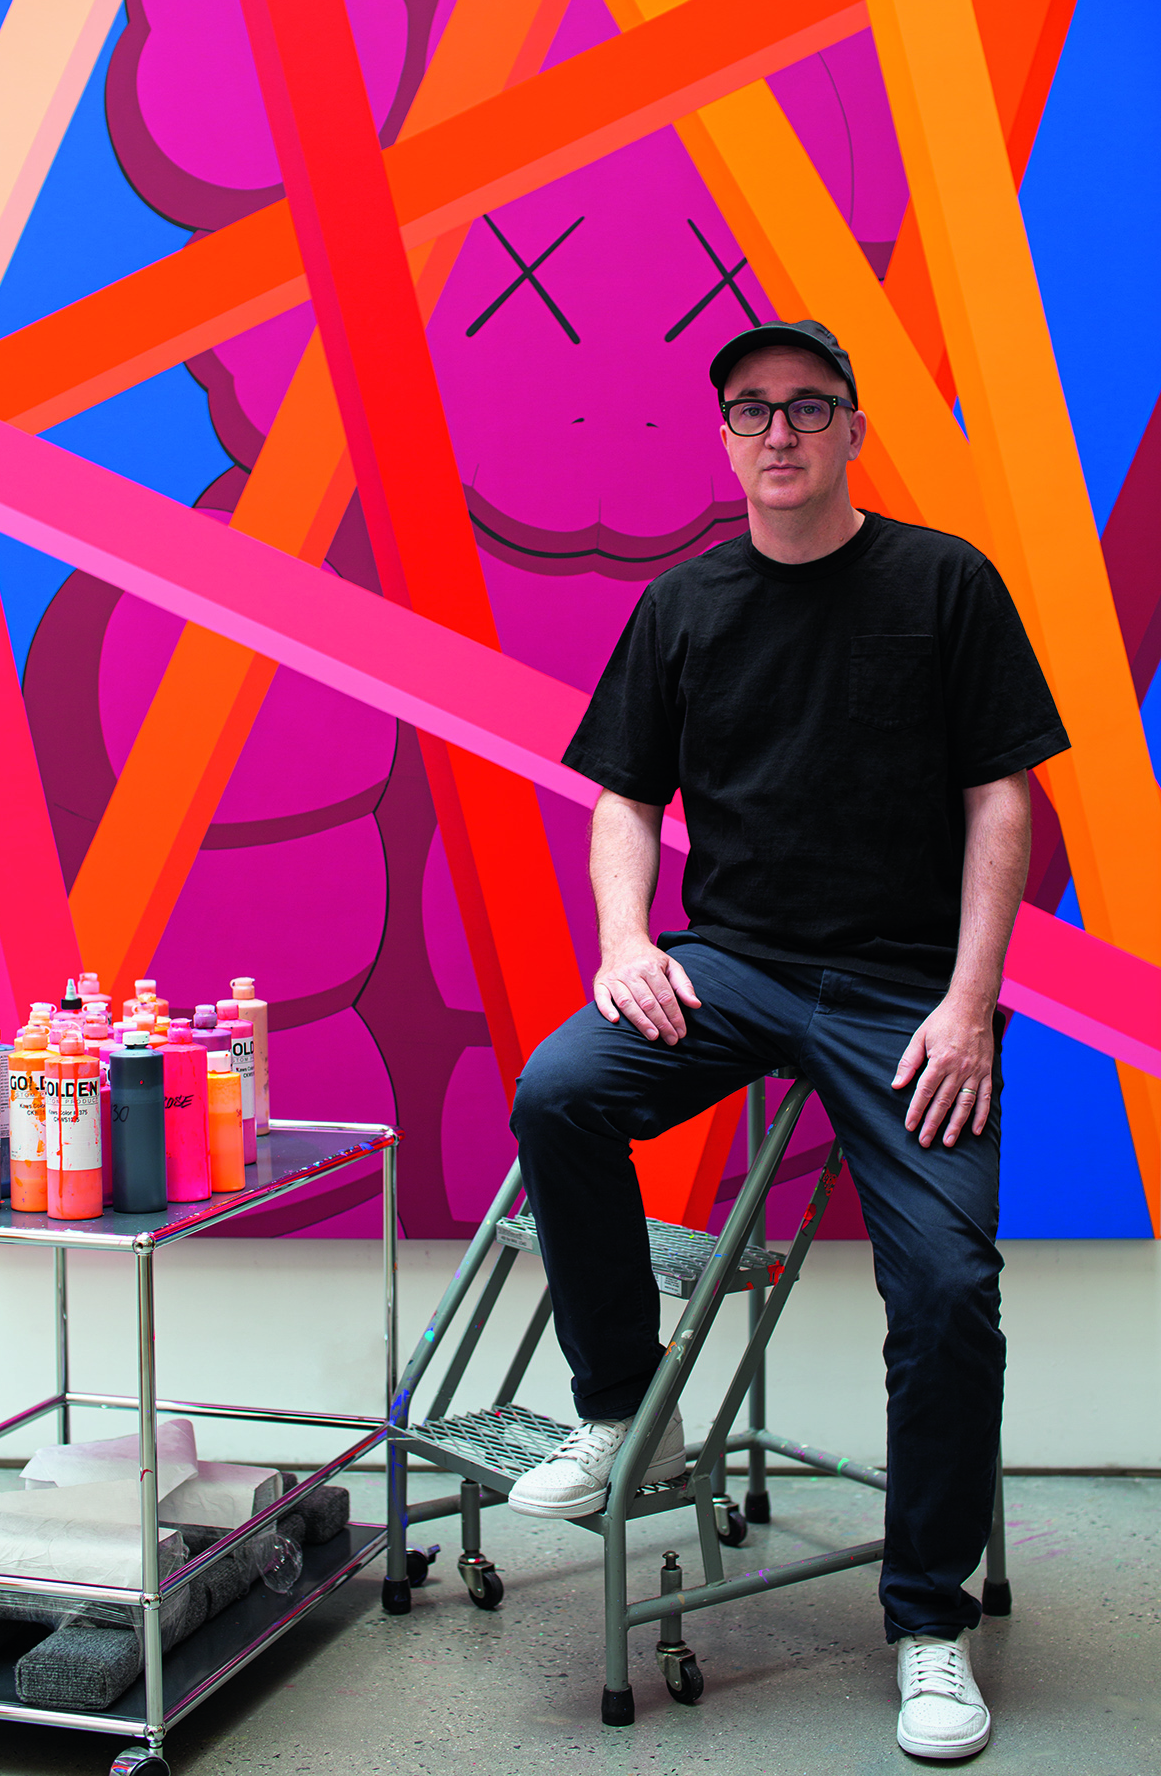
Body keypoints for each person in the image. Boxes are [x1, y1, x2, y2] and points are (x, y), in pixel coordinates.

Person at [505, 320, 1071, 1760]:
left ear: (850, 426)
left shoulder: (944, 583)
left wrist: (969, 1000)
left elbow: (1004, 799)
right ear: (726, 437)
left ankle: (929, 1626)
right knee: (560, 1089)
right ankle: (628, 1411)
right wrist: (630, 944)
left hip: (903, 993)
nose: (779, 432)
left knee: (947, 1290)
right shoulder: (684, 603)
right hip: (737, 964)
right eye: (751, 410)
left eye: (807, 406)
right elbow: (622, 798)